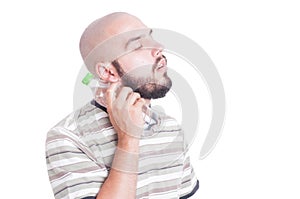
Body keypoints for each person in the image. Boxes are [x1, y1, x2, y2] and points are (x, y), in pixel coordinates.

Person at [45, 12, 199, 199]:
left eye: (151, 37)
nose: (159, 47)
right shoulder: (69, 137)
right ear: (108, 72)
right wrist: (129, 139)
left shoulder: (170, 129)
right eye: (137, 45)